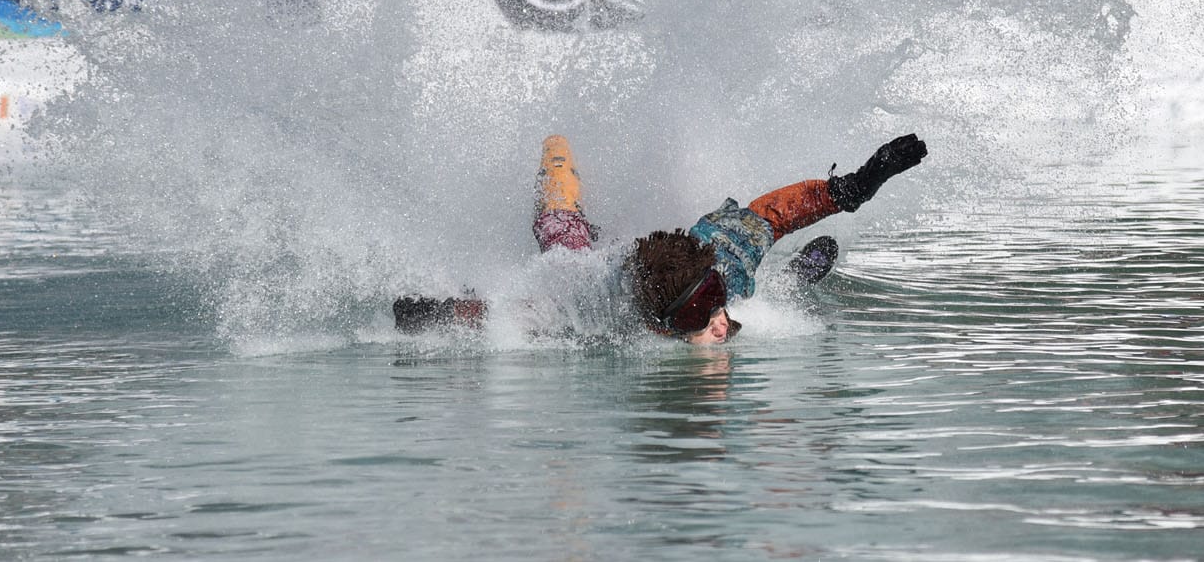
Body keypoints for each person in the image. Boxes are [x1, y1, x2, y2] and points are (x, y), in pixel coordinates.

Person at [396, 132, 928, 344]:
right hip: (595, 272)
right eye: (702, 317)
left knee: (749, 295)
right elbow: (504, 315)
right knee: (560, 231)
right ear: (660, 324)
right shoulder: (588, 302)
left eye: (714, 306)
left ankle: (788, 280)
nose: (717, 322)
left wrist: (857, 184)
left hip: (696, 256)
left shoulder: (723, 260)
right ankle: (557, 155)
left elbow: (775, 213)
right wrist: (437, 312)